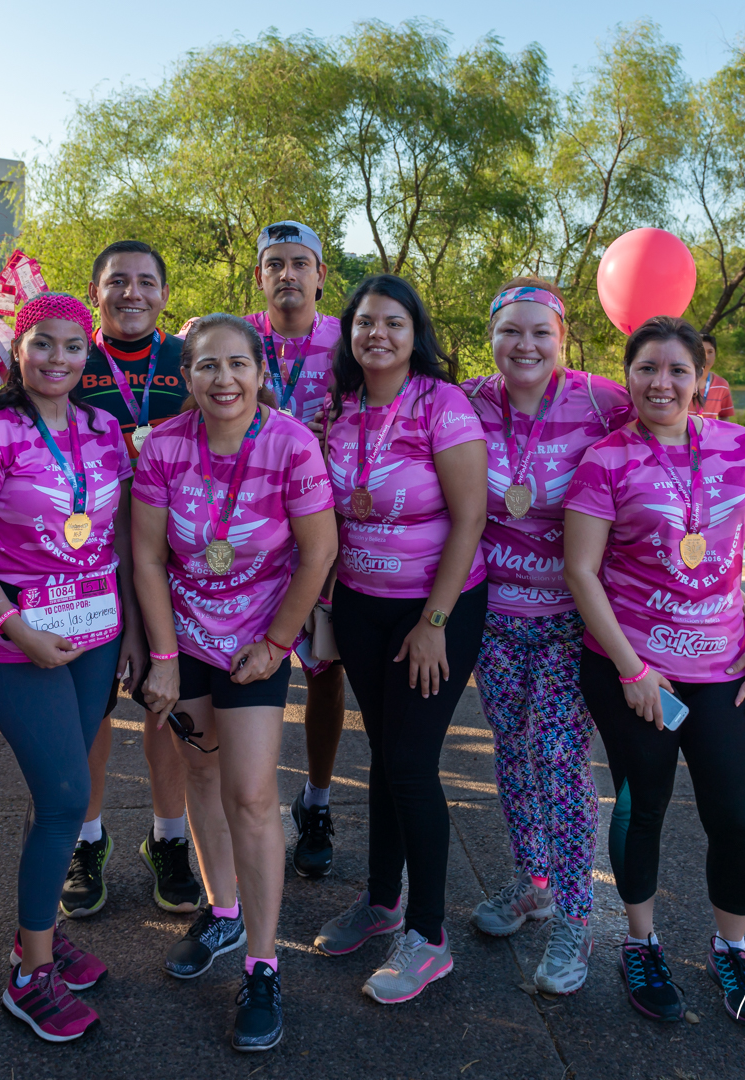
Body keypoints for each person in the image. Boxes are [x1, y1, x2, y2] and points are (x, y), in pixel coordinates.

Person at [562, 316, 745, 1027]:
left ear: (701, 378)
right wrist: (631, 669)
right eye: (647, 369)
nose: (662, 383)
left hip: (724, 670)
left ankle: (733, 947)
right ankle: (642, 941)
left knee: (735, 816)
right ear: (627, 375)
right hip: (634, 672)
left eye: (677, 371)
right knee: (642, 806)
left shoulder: (738, 447)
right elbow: (580, 569)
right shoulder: (605, 459)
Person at [132, 313, 336, 1051]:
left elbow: (318, 553)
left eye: (237, 366)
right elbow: (149, 557)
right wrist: (160, 653)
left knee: (251, 792)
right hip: (182, 633)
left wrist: (277, 641)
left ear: (261, 373)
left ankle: (262, 959)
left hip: (256, 638)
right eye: (207, 367)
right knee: (201, 771)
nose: (224, 380)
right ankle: (222, 915)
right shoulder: (163, 445)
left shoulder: (291, 443)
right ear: (187, 377)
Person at [0, 293, 136, 1043]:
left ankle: (37, 936)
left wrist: (134, 636)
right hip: (17, 642)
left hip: (93, 635)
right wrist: (13, 626)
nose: (58, 359)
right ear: (17, 350)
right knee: (64, 799)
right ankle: (29, 977)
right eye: (43, 344)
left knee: (59, 794)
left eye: (72, 346)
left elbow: (116, 533)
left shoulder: (102, 429)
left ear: (88, 354)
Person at [312, 275, 487, 1005]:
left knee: (411, 765)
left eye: (392, 322)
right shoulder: (340, 409)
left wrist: (433, 623)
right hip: (360, 606)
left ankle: (429, 936)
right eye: (363, 323)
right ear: (348, 335)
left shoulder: (441, 405)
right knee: (384, 756)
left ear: (417, 333)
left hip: (434, 610)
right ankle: (382, 902)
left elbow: (472, 517)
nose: (376, 334)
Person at [462, 278, 633, 996]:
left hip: (574, 616)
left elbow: (659, 460)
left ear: (562, 336)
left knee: (559, 755)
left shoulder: (604, 402)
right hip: (495, 616)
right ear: (493, 337)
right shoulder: (466, 402)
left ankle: (575, 920)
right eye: (511, 331)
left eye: (540, 332)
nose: (525, 344)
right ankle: (531, 879)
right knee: (512, 747)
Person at [66, 240, 201, 918]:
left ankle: (169, 837)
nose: (132, 294)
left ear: (165, 294)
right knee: (91, 707)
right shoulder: (68, 355)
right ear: (96, 291)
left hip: (172, 556)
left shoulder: (189, 360)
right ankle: (86, 840)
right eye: (117, 281)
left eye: (146, 282)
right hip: (80, 557)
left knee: (165, 701)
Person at [242, 220, 346, 878]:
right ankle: (246, 802)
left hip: (328, 526)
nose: (287, 274)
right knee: (243, 663)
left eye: (299, 263)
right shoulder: (233, 335)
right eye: (275, 263)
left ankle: (317, 798)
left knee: (324, 669)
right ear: (260, 275)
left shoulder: (350, 338)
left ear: (319, 275)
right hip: (247, 527)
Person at [690, 333, 735, 420]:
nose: (706, 357)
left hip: (709, 433)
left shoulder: (722, 385)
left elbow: (725, 417)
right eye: (701, 352)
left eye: (710, 352)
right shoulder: (680, 381)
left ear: (715, 354)